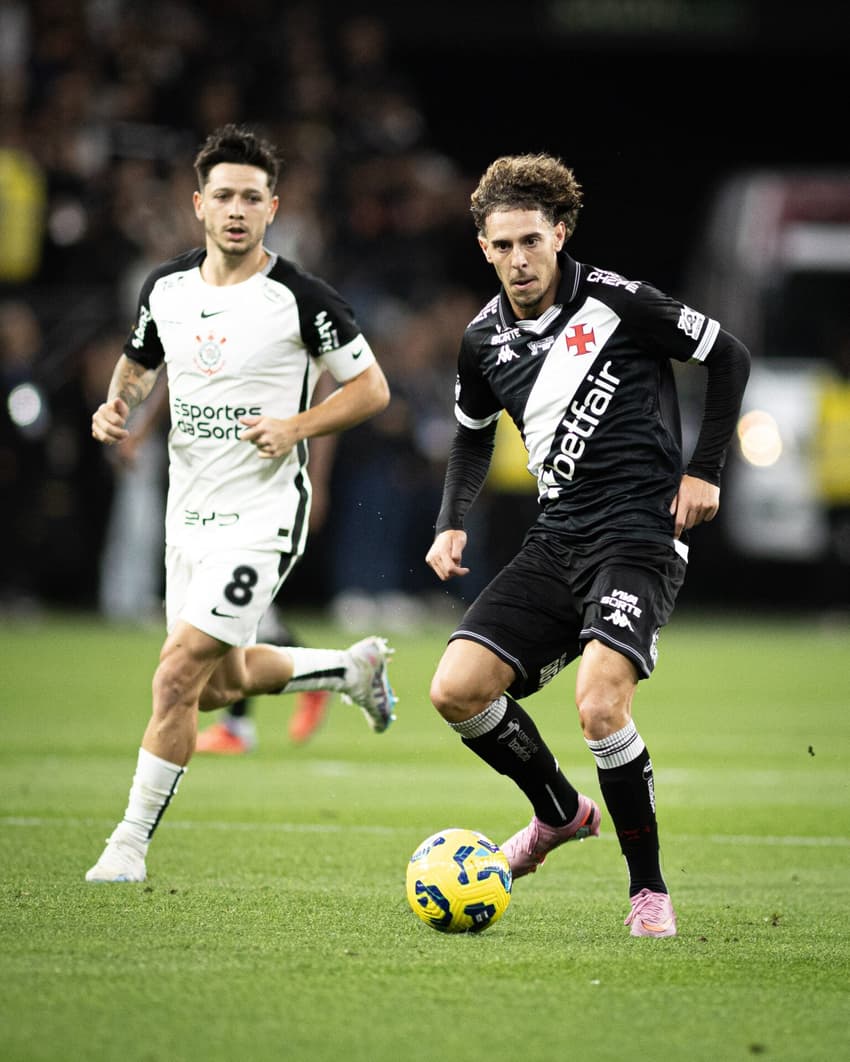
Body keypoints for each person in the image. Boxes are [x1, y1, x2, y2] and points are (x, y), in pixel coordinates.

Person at [425, 153, 750, 937]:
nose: (518, 260)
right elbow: (472, 440)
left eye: (531, 242)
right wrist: (450, 519)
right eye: (501, 246)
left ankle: (648, 891)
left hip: (637, 536)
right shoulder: (482, 340)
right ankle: (559, 814)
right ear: (484, 247)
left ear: (559, 234)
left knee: (601, 707)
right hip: (557, 539)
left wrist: (703, 471)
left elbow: (729, 356)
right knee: (455, 689)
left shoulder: (620, 303)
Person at [86, 123, 398, 883]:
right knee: (218, 681)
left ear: (272, 208)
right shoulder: (166, 288)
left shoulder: (302, 298)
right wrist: (114, 406)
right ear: (197, 205)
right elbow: (138, 363)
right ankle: (349, 672)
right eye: (222, 195)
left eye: (251, 198)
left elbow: (372, 388)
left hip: (262, 515)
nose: (235, 209)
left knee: (174, 677)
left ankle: (127, 846)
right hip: (185, 517)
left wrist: (297, 425)